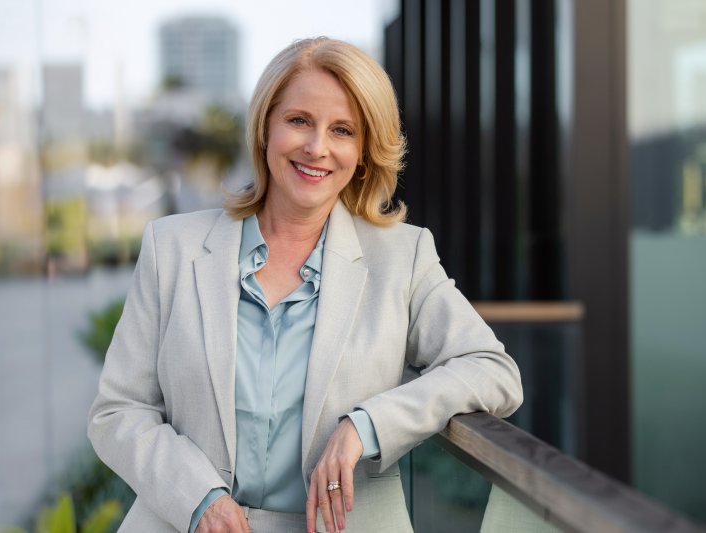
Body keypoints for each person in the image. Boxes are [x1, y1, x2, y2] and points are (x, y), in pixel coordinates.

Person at [88, 37, 523, 533]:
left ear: (362, 153)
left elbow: (493, 371)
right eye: (299, 121)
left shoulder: (402, 258)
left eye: (342, 130)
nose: (317, 147)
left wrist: (366, 425)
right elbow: (118, 411)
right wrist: (199, 499)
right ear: (266, 128)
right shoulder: (172, 247)